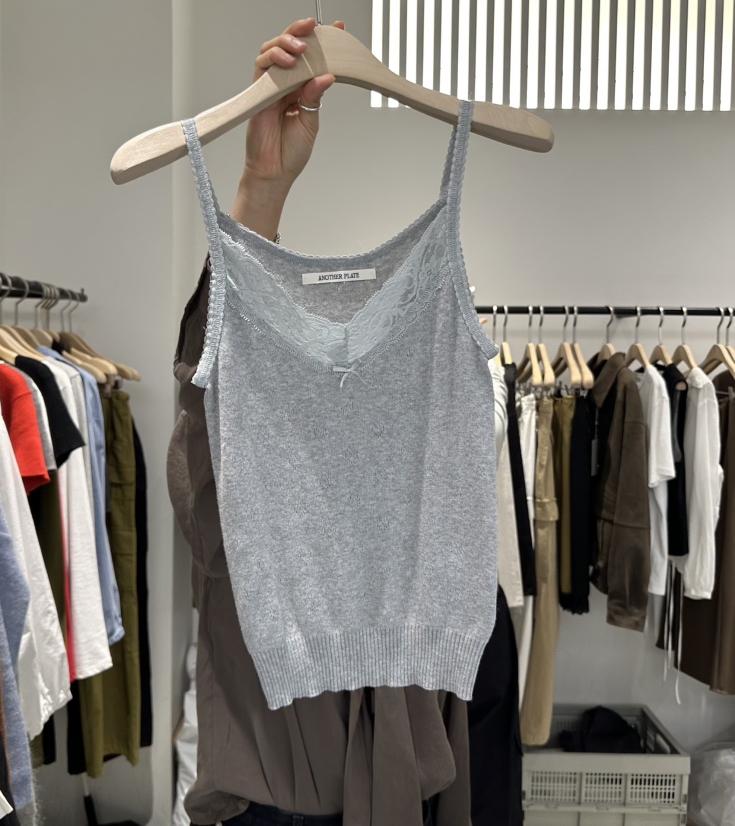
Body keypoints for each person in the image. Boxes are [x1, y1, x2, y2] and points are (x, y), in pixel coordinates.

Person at [169, 17, 520, 826]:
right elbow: (203, 481)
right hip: (275, 757)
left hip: (416, 727)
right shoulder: (227, 368)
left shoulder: (443, 314)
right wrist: (260, 186)